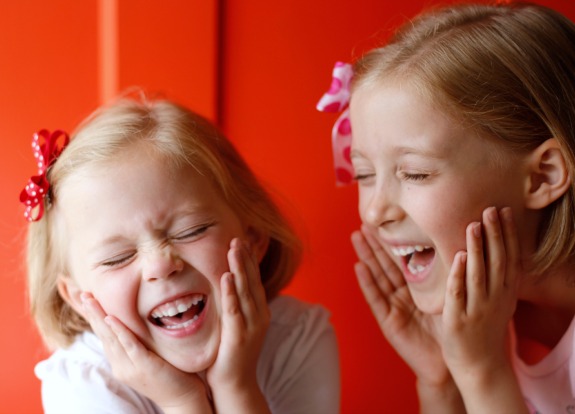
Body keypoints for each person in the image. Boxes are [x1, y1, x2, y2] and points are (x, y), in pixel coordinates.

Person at [329, 1, 575, 413]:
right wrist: (441, 379)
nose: (375, 213)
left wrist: (482, 372)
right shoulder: (480, 322)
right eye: (364, 174)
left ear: (542, 176)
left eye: (415, 173)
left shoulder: (483, 350)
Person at [22, 96, 340, 413]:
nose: (160, 265)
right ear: (78, 297)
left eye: (192, 230)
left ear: (254, 238)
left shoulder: (297, 338)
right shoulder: (83, 383)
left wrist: (236, 385)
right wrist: (183, 403)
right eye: (117, 257)